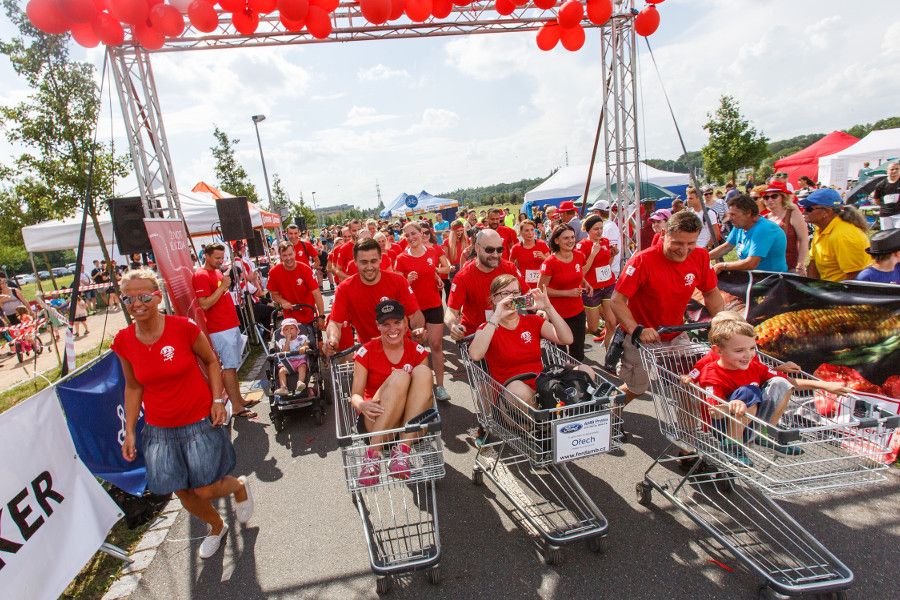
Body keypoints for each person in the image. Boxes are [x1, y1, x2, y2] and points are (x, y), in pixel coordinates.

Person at [114, 269, 254, 560]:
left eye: (144, 296)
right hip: (159, 430)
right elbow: (133, 385)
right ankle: (216, 526)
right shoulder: (124, 341)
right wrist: (130, 431)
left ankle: (239, 486)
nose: (136, 304)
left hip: (199, 421)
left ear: (158, 296)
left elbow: (211, 361)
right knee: (182, 491)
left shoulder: (183, 327)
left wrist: (217, 399)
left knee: (205, 489)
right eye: (129, 298)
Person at [688, 312, 852, 466]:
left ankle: (765, 434)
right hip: (722, 427)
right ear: (718, 350)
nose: (748, 355)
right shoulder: (712, 373)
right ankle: (732, 444)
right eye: (740, 350)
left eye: (752, 348)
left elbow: (788, 381)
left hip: (750, 419)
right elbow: (714, 412)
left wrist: (825, 385)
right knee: (748, 392)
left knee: (781, 383)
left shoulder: (752, 365)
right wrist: (733, 405)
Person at [610, 211, 725, 406]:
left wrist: (722, 320)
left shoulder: (700, 256)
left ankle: (687, 425)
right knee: (637, 387)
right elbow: (617, 300)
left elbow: (711, 292)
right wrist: (637, 329)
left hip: (675, 333)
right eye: (678, 243)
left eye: (691, 243)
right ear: (664, 234)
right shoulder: (643, 260)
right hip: (641, 336)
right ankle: (612, 409)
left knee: (688, 385)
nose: (684, 250)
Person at [351, 300, 432, 486]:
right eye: (386, 324)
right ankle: (372, 455)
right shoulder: (366, 351)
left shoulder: (417, 351)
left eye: (397, 322)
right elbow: (355, 394)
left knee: (423, 372)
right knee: (401, 376)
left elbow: (424, 394)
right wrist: (361, 404)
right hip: (377, 423)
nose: (392, 329)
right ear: (378, 326)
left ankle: (402, 452)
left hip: (409, 427)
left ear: (405, 323)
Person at [467, 275, 574, 407]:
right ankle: (543, 415)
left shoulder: (533, 321)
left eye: (515, 292)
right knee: (518, 389)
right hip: (510, 396)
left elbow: (567, 339)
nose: (511, 298)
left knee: (585, 370)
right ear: (494, 299)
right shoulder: (487, 328)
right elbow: (475, 355)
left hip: (541, 388)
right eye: (505, 293)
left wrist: (548, 307)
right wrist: (496, 316)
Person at [324, 238, 424, 353]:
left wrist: (418, 329)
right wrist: (333, 339)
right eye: (364, 262)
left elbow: (415, 314)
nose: (369, 267)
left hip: (401, 346)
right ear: (355, 262)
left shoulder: (398, 281)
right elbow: (335, 322)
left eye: (373, 261)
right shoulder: (344, 288)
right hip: (369, 352)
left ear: (381, 259)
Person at [193, 243, 254, 419]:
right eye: (217, 258)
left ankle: (239, 400)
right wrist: (222, 288)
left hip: (229, 325)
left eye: (222, 257)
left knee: (232, 366)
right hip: (219, 328)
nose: (220, 261)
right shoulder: (201, 275)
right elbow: (204, 304)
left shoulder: (216, 271)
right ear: (206, 256)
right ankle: (236, 407)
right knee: (228, 366)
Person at [393, 221, 452, 402]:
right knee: (417, 348)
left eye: (414, 233)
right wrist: (407, 280)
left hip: (434, 305)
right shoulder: (401, 258)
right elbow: (397, 287)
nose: (411, 238)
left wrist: (437, 279)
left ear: (421, 233)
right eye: (407, 235)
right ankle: (418, 387)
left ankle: (440, 386)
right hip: (414, 310)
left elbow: (432, 271)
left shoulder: (432, 251)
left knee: (436, 345)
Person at [445, 229, 526, 339]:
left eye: (499, 249)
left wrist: (539, 307)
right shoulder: (463, 277)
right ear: (477, 248)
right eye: (489, 250)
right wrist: (453, 326)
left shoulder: (509, 268)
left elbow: (527, 298)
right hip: (476, 335)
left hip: (506, 332)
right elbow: (451, 311)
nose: (495, 255)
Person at [538, 224, 589, 361]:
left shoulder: (579, 256)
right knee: (559, 355)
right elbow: (541, 289)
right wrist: (567, 293)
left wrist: (585, 283)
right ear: (556, 240)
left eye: (572, 237)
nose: (570, 241)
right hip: (556, 315)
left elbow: (577, 274)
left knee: (577, 352)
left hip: (578, 312)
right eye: (566, 238)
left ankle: (577, 373)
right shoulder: (550, 262)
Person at [801, 188, 870, 282]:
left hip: (840, 289)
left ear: (827, 212)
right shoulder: (821, 228)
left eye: (809, 209)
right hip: (827, 288)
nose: (804, 212)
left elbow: (855, 277)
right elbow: (813, 263)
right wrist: (811, 288)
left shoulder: (843, 236)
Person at [709, 193, 788, 274]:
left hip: (771, 278)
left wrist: (722, 266)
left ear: (748, 213)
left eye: (733, 214)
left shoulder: (765, 229)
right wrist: (704, 257)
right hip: (751, 276)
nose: (730, 218)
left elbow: (751, 263)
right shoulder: (740, 225)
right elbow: (726, 247)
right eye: (730, 214)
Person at [576, 214, 617, 346]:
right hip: (592, 289)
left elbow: (606, 265)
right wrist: (593, 254)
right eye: (596, 229)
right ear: (588, 230)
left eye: (601, 228)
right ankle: (574, 332)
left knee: (612, 323)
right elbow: (581, 272)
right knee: (593, 327)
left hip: (608, 285)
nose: (599, 231)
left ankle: (609, 355)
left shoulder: (605, 241)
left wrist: (612, 255)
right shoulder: (582, 246)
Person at [266, 241, 326, 326]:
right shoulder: (274, 272)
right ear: (280, 256)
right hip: (290, 320)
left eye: (290, 254)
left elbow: (317, 294)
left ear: (294, 253)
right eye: (284, 255)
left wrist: (321, 316)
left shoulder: (305, 269)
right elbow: (274, 295)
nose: (288, 258)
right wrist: (282, 301)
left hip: (309, 315)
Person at [764, 180, 809, 275]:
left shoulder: (792, 213)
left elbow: (804, 239)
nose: (770, 200)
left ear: (783, 197)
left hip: (790, 268)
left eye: (774, 196)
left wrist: (800, 263)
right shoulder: (765, 218)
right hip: (767, 268)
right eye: (766, 197)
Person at [509, 219, 550, 290]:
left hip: (541, 284)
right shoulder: (516, 248)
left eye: (532, 230)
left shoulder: (542, 244)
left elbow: (551, 263)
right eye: (527, 230)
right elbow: (510, 266)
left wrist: (544, 257)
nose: (530, 233)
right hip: (524, 285)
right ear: (521, 232)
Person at [274, 318, 309, 396]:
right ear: (283, 332)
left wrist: (304, 347)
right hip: (288, 363)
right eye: (286, 329)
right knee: (281, 371)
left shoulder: (302, 338)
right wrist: (287, 340)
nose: (289, 331)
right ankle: (283, 388)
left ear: (297, 330)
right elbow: (284, 352)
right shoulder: (282, 341)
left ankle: (300, 382)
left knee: (303, 367)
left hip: (299, 360)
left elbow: (306, 346)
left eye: (292, 328)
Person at [872, 161, 900, 230]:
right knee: (887, 235)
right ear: (887, 171)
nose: (894, 171)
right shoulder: (881, 185)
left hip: (899, 214)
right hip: (885, 214)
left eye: (897, 169)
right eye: (892, 169)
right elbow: (876, 200)